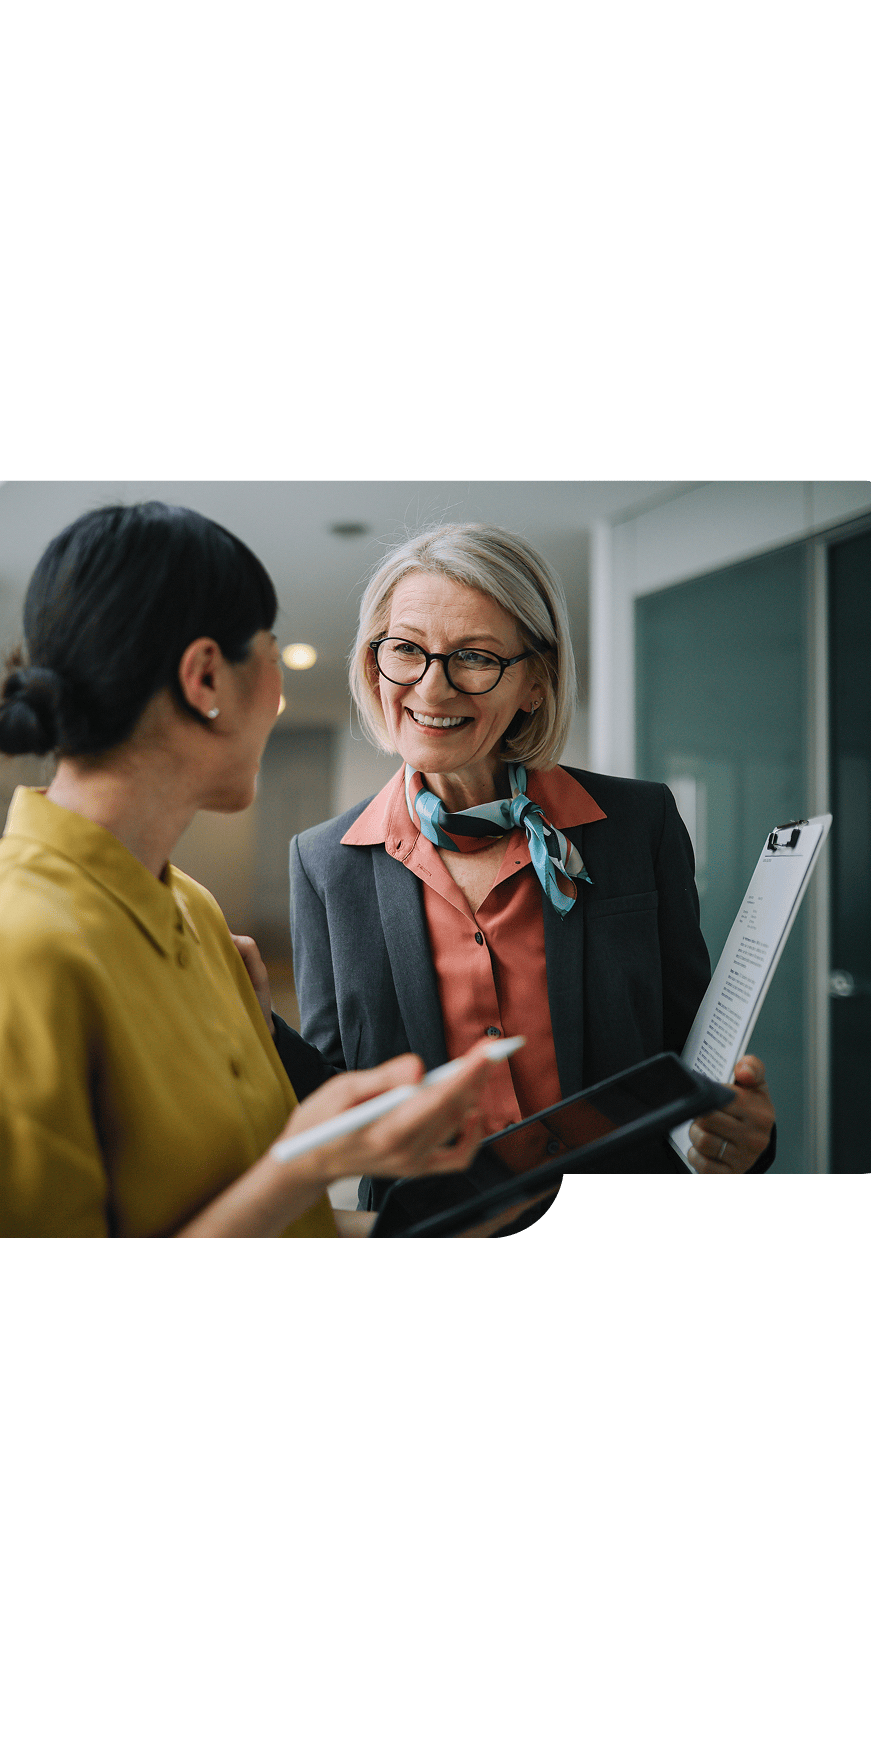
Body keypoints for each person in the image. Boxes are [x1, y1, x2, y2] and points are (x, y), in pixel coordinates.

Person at [0, 503, 500, 1239]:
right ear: (204, 678)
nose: (280, 692)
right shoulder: (10, 946)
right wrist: (307, 1162)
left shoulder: (193, 912)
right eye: (270, 654)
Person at [287, 522, 777, 1223]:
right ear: (374, 663)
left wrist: (742, 1135)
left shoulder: (639, 826)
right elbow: (338, 1098)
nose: (433, 686)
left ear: (537, 684)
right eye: (405, 650)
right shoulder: (324, 862)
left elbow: (695, 1057)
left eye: (475, 657)